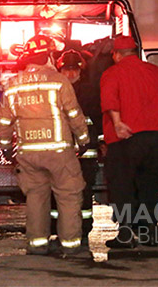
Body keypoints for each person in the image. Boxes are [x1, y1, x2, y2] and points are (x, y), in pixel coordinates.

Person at [0, 34, 89, 256]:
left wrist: (6, 146)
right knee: (68, 196)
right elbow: (74, 114)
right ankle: (70, 245)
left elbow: (4, 121)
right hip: (58, 152)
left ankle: (37, 244)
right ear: (47, 55)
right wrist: (84, 140)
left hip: (29, 153)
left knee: (36, 197)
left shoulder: (12, 84)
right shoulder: (58, 81)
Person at [101, 35, 158, 248]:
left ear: (116, 55)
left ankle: (125, 233)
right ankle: (149, 231)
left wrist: (117, 123)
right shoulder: (156, 72)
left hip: (126, 137)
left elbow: (109, 101)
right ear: (135, 52)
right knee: (151, 184)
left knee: (122, 185)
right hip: (156, 139)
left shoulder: (112, 73)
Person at [53, 49, 102, 245]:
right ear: (60, 70)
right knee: (57, 192)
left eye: (74, 69)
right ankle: (57, 229)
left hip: (85, 154)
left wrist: (100, 142)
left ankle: (83, 229)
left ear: (81, 70)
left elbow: (98, 119)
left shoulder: (90, 90)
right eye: (67, 69)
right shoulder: (54, 89)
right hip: (61, 152)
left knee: (83, 192)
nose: (71, 73)